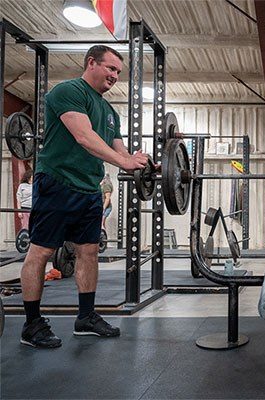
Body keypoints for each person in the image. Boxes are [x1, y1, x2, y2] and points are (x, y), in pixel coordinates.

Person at [20, 45, 148, 348]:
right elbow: (83, 136)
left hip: (89, 188)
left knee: (88, 252)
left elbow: (119, 150)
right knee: (41, 252)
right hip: (58, 182)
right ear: (91, 63)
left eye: (118, 71)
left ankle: (86, 317)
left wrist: (141, 162)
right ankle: (32, 324)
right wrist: (125, 162)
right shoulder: (68, 91)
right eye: (110, 68)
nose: (115, 76)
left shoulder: (109, 111)